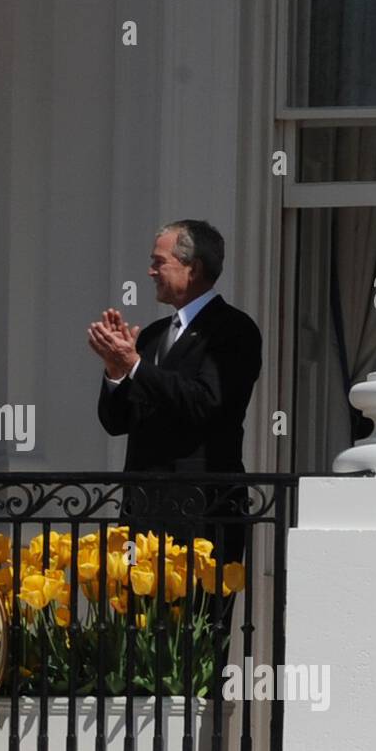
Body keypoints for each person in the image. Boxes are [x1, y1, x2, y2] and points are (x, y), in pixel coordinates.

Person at [88, 219, 262, 568]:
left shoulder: (233, 329)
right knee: (139, 621)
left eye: (158, 262)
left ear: (192, 268)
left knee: (200, 621)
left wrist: (136, 365)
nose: (150, 271)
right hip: (143, 515)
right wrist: (116, 372)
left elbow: (207, 403)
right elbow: (117, 421)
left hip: (202, 513)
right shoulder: (152, 336)